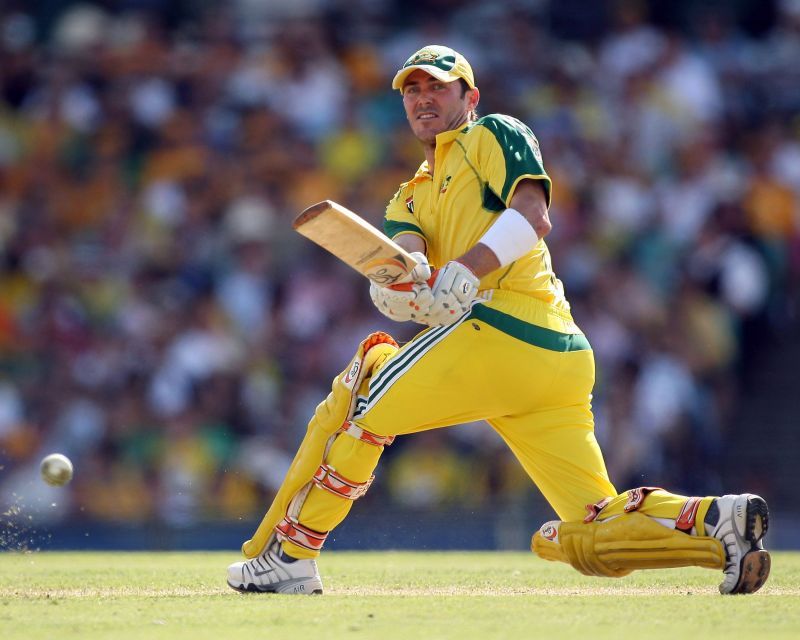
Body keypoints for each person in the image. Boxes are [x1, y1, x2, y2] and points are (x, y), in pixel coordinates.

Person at [226, 45, 770, 595]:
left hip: (508, 327)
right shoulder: (409, 194)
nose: (423, 99)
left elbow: (534, 215)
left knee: (362, 395)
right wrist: (396, 292)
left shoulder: (490, 134)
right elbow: (405, 259)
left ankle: (291, 555)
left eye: (438, 87)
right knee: (591, 529)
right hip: (553, 359)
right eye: (412, 91)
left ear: (470, 96)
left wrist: (462, 271)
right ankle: (715, 524)